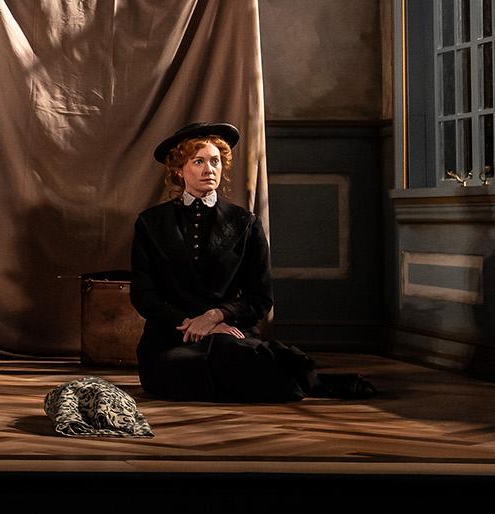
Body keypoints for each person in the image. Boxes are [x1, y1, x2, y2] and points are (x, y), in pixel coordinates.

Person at [131, 122, 374, 401]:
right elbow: (144, 296)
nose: (209, 169)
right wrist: (190, 322)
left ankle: (297, 378)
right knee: (190, 367)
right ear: (178, 170)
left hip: (228, 333)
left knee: (229, 352)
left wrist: (214, 317)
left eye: (215, 161)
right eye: (198, 161)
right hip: (171, 338)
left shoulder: (244, 223)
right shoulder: (151, 223)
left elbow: (259, 298)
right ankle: (310, 381)